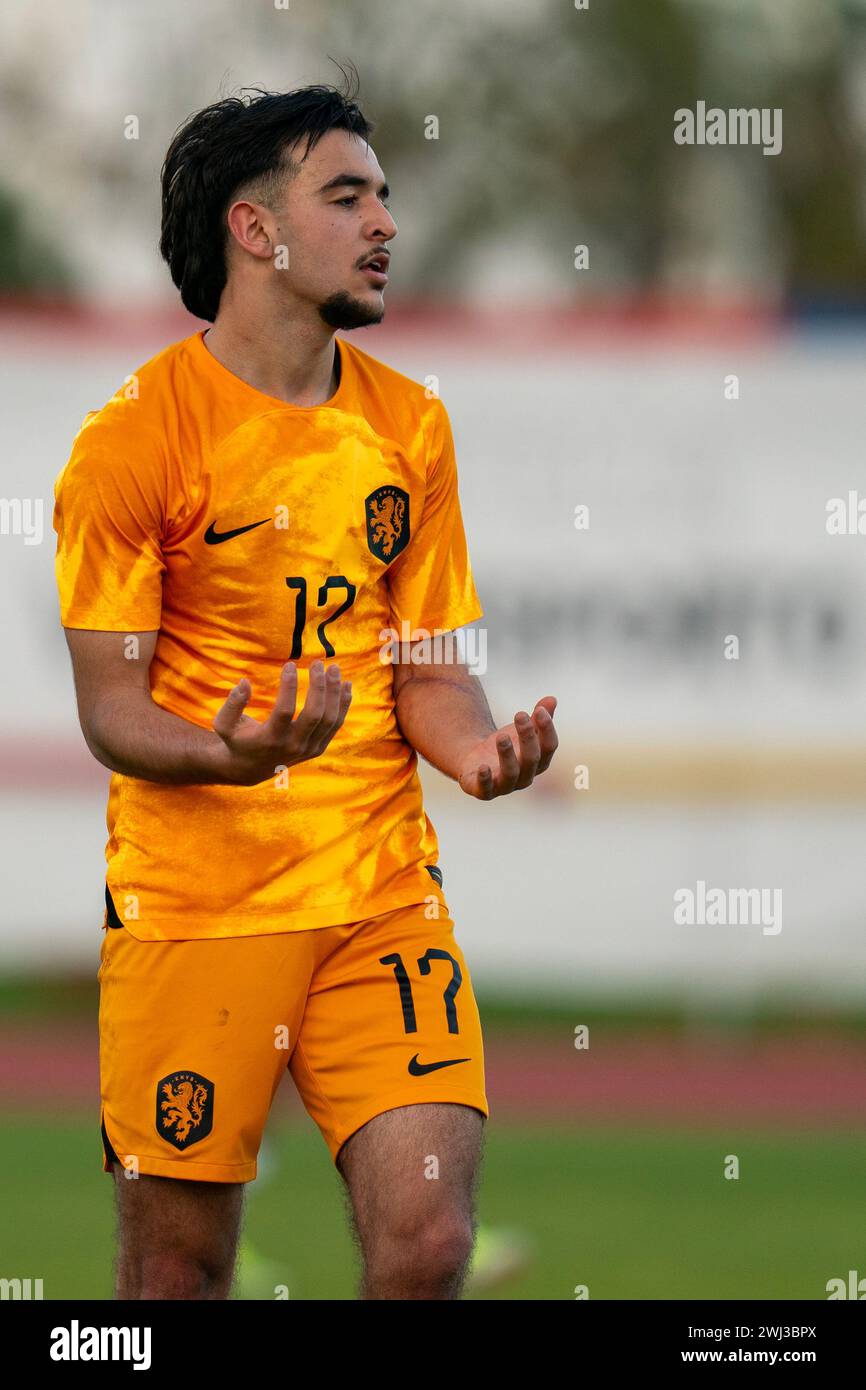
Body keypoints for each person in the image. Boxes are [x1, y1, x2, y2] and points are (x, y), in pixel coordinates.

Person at [52, 69, 558, 1301]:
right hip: (195, 910)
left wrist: (477, 753)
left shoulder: (410, 428)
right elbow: (112, 711)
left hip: (379, 892)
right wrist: (231, 755)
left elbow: (429, 672)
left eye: (384, 195)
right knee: (177, 1272)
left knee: (429, 1242)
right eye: (348, 196)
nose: (386, 222)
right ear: (254, 227)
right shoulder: (130, 445)